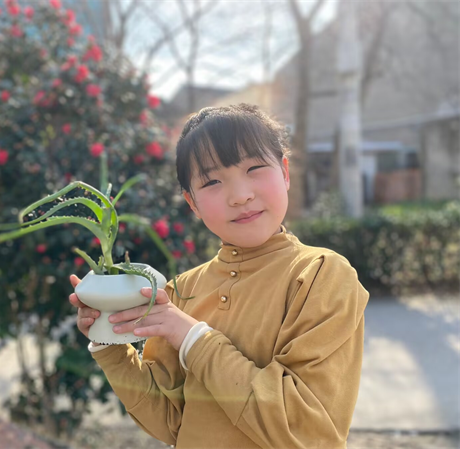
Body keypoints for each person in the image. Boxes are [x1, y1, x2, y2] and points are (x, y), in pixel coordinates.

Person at [68, 103, 369, 449]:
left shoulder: (321, 275)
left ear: (285, 173)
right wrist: (108, 341)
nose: (241, 196)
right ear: (192, 203)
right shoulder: (183, 290)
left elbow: (304, 431)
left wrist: (193, 338)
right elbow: (170, 422)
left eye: (255, 168)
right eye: (212, 181)